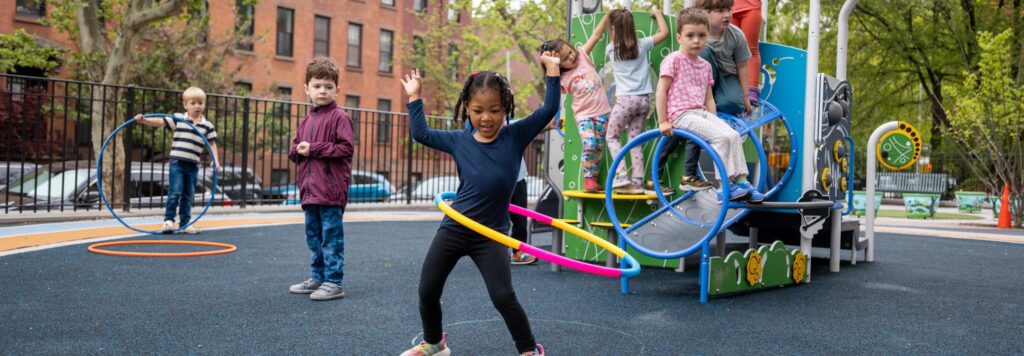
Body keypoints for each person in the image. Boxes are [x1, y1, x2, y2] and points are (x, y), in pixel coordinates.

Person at [397, 51, 561, 356]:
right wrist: (415, 97)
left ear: (506, 109)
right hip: (455, 227)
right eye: (478, 110)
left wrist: (552, 71)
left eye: (495, 110)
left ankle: (529, 349)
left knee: (503, 296)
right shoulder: (459, 141)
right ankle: (435, 343)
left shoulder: (515, 136)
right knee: (427, 289)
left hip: (493, 234)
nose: (486, 117)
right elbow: (420, 134)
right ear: (467, 111)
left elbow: (549, 107)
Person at [656, 8, 763, 202]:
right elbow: (661, 91)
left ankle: (741, 181)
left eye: (701, 36)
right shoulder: (673, 60)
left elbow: (709, 99)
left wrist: (714, 120)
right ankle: (724, 187)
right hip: (681, 114)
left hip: (701, 112)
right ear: (679, 37)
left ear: (707, 37)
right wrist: (663, 121)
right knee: (721, 138)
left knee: (733, 135)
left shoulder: (704, 66)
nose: (696, 40)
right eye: (690, 36)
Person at [286, 57, 355, 301]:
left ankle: (334, 281)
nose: (322, 91)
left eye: (328, 86)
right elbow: (295, 150)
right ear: (307, 89)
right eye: (317, 86)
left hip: (331, 191)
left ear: (337, 89)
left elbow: (346, 148)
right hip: (310, 191)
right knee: (313, 236)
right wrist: (297, 150)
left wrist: (313, 148)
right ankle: (317, 277)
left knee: (331, 237)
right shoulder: (306, 121)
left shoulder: (340, 118)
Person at [133, 87, 220, 234]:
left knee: (188, 195)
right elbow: (160, 121)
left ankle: (185, 223)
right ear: (185, 105)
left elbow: (212, 143)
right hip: (177, 163)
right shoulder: (179, 119)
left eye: (200, 102)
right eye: (193, 103)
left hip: (193, 165)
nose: (197, 106)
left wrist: (215, 161)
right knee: (175, 192)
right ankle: (168, 221)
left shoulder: (207, 125)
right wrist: (144, 120)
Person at [603, 8, 669, 195]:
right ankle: (638, 181)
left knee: (612, 137)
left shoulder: (611, 50)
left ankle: (622, 175)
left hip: (625, 101)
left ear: (613, 30)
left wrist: (607, 19)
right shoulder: (643, 44)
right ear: (632, 28)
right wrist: (657, 14)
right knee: (634, 140)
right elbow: (664, 33)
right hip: (644, 102)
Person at [541, 30, 612, 193]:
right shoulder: (562, 78)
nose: (572, 57)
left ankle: (593, 179)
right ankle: (588, 179)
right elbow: (552, 94)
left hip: (602, 112)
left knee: (599, 147)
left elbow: (594, 36)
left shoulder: (582, 57)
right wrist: (549, 63)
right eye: (565, 58)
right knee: (590, 143)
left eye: (570, 52)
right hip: (584, 115)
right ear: (559, 65)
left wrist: (607, 18)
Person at [731, 0, 763, 104]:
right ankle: (730, 88)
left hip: (751, 6)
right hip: (727, 7)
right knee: (730, 50)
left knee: (751, 49)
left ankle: (752, 89)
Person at [510, 159, 537, 264]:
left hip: (518, 178)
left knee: (520, 218)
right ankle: (494, 253)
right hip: (498, 177)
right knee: (498, 219)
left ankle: (518, 252)